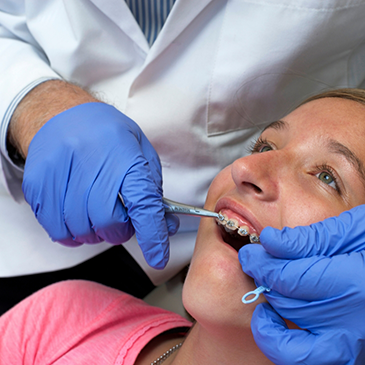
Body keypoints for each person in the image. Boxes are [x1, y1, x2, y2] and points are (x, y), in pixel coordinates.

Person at [1, 1, 365, 362]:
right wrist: (34, 101)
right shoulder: (55, 318)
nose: (246, 169)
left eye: (327, 177)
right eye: (263, 145)